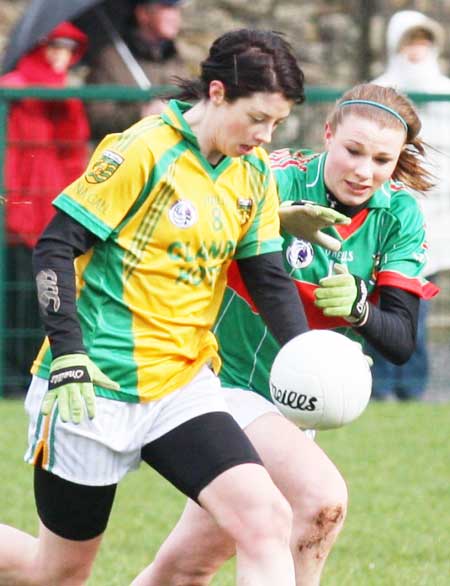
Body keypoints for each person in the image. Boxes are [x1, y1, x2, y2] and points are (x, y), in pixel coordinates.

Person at [0, 29, 313, 586]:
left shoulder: (253, 174)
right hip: (93, 386)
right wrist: (68, 354)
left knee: (267, 520)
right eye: (257, 118)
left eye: (277, 124)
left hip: (182, 387)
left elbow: (268, 277)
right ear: (217, 93)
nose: (265, 137)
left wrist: (306, 355)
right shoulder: (140, 151)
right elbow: (54, 247)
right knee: (58, 573)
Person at [131, 83, 439, 586]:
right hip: (219, 381)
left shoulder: (398, 214)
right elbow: (184, 226)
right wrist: (268, 220)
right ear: (327, 135)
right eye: (353, 151)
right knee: (321, 501)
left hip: (295, 403)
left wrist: (361, 309)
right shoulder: (273, 176)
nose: (365, 171)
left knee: (188, 565)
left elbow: (401, 342)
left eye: (383, 159)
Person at [0, 21, 90, 396]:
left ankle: (34, 370)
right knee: (19, 295)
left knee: (48, 293)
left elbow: (75, 150)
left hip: (53, 204)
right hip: (20, 205)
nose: (60, 53)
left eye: (69, 46)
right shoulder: (16, 89)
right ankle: (13, 375)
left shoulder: (66, 97)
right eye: (54, 44)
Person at [371, 9, 450, 400]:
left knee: (418, 306)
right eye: (409, 41)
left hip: (435, 220)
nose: (416, 51)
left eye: (423, 41)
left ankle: (411, 388)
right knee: (384, 301)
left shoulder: (445, 92)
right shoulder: (379, 93)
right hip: (390, 215)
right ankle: (381, 384)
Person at [86, 0, 187, 140]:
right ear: (143, 14)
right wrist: (140, 114)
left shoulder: (174, 57)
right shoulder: (110, 59)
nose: (175, 17)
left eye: (176, 9)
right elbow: (97, 119)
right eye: (166, 8)